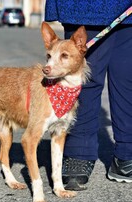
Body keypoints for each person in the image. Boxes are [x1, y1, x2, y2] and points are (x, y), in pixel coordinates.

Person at [45, 0, 132, 190]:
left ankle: (127, 151)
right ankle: (79, 151)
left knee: (127, 80)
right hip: (88, 7)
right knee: (84, 80)